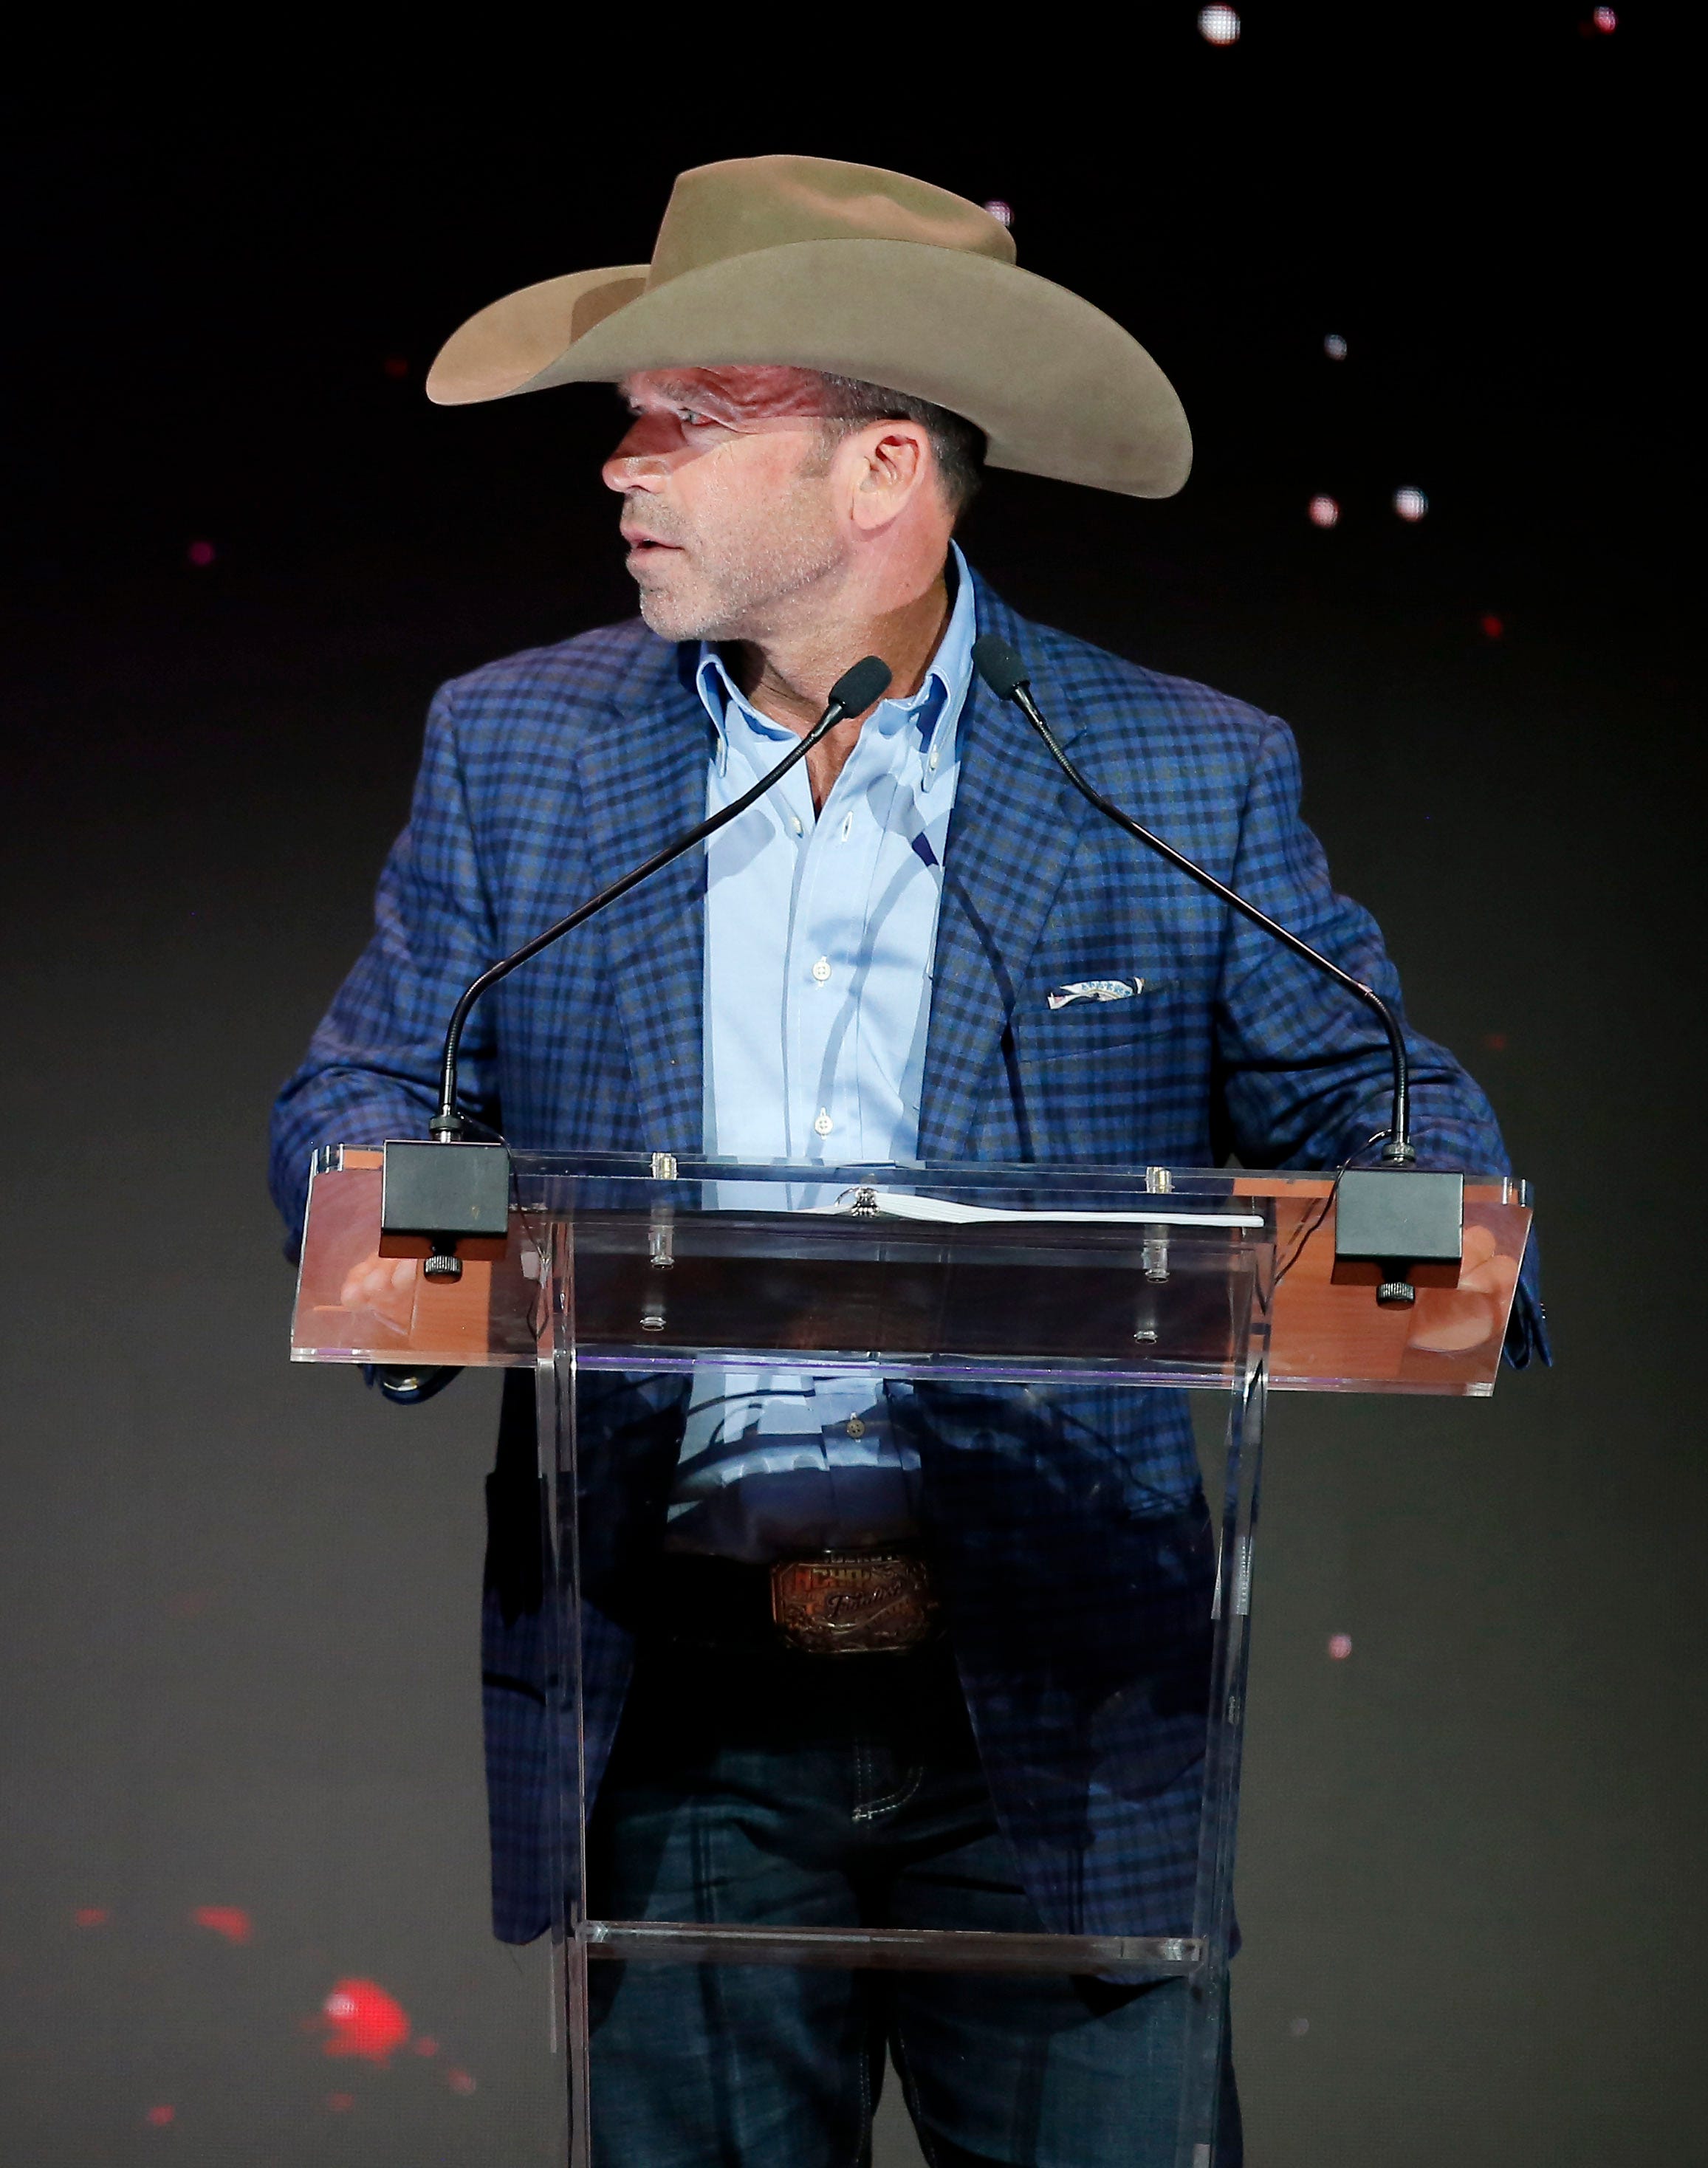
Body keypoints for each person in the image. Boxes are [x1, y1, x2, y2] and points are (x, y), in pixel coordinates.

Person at [270, 154, 1544, 2168]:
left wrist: (1447, 1234)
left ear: (876, 470)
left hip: (1054, 1704)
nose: (620, 464)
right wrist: (395, 1216)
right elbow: (358, 1092)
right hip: (682, 1716)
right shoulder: (516, 748)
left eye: (685, 418)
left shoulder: (1176, 767)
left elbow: (1379, 1106)